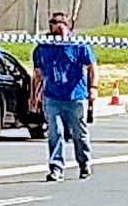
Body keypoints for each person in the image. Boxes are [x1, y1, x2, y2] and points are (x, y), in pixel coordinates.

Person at [30, 12, 97, 182]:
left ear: (68, 25)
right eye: (54, 23)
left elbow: (91, 66)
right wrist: (33, 96)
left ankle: (84, 163)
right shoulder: (43, 47)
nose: (58, 26)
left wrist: (93, 88)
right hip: (52, 97)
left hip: (76, 96)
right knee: (55, 133)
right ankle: (56, 168)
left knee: (79, 132)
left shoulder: (78, 44)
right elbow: (37, 73)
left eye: (61, 23)